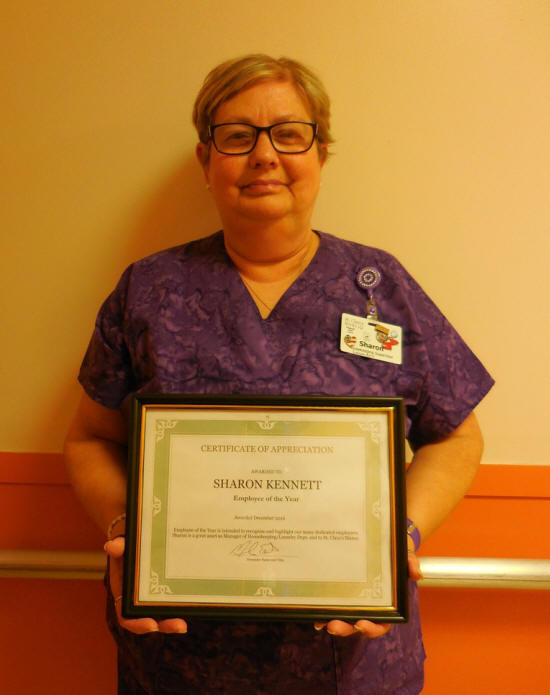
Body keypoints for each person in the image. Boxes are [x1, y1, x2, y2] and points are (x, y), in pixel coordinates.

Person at [64, 54, 494, 695]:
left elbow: (457, 437)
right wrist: (129, 531)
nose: (264, 155)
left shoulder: (381, 287)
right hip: (180, 663)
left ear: (320, 153)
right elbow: (91, 438)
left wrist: (397, 536)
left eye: (289, 134)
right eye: (237, 136)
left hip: (353, 665)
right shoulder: (149, 290)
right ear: (205, 159)